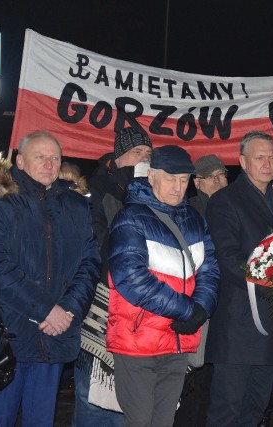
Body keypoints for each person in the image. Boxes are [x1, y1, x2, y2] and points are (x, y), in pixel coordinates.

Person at [0, 130, 100, 426]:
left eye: (55, 157)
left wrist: (69, 310)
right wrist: (46, 309)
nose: (49, 164)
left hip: (55, 335)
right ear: (19, 161)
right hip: (11, 338)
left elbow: (90, 262)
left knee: (41, 421)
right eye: (40, 157)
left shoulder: (77, 205)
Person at [106, 145, 219, 427]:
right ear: (152, 176)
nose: (178, 187)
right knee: (141, 421)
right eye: (170, 178)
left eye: (183, 180)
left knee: (164, 421)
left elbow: (210, 270)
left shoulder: (195, 219)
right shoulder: (130, 217)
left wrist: (202, 308)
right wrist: (187, 311)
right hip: (138, 341)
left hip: (178, 341)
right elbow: (132, 278)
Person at [205, 131, 273, 427]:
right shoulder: (225, 201)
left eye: (272, 157)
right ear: (242, 162)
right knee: (227, 410)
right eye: (259, 157)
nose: (267, 164)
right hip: (239, 324)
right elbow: (228, 258)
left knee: (256, 408)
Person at [73, 127, 152, 427]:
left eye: (148, 154)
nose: (144, 159)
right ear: (119, 159)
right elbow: (99, 249)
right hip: (103, 309)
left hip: (142, 314)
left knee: (128, 400)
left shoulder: (158, 194)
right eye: (136, 153)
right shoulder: (99, 191)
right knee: (94, 400)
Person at [175, 153, 227, 427]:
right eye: (212, 177)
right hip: (198, 304)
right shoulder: (194, 210)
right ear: (197, 182)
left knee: (209, 379)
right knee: (193, 378)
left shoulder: (230, 207)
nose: (219, 181)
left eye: (223, 175)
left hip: (219, 307)